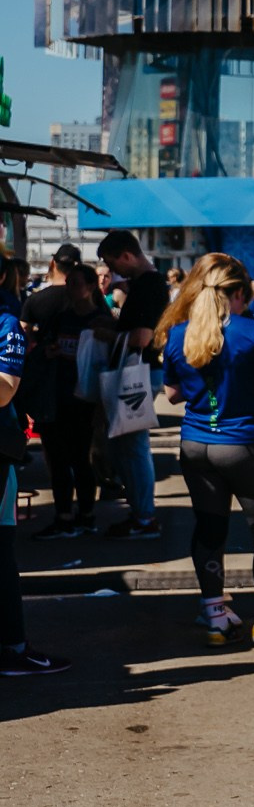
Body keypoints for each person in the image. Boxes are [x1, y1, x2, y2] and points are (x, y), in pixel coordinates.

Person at [158, 254, 254, 647]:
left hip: (196, 444)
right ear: (239, 293)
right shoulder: (251, 332)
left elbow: (172, 394)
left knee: (210, 529)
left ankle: (214, 615)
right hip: (242, 442)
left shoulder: (178, 334)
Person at [0, 294, 70, 675]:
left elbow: (5, 390)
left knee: (2, 550)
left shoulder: (5, 325)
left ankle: (12, 647)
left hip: (1, 454)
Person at [20, 245, 110, 538]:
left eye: (76, 284)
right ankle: (64, 516)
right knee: (57, 460)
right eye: (69, 283)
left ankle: (86, 515)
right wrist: (48, 351)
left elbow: (113, 359)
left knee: (80, 459)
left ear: (90, 287)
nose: (70, 289)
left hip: (85, 400)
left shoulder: (102, 322)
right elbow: (40, 347)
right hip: (56, 397)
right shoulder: (60, 319)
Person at [98, 230, 171, 537]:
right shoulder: (145, 284)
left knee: (133, 447)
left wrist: (109, 335)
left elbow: (143, 337)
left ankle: (144, 517)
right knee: (129, 446)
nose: (114, 272)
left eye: (114, 263)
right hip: (138, 372)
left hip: (138, 373)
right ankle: (141, 514)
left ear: (128, 255)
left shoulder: (149, 285)